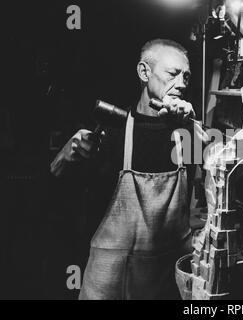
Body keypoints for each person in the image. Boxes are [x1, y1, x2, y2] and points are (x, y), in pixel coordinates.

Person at [50, 39, 196, 300]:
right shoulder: (110, 135)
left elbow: (242, 156)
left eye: (186, 76)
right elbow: (53, 194)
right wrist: (62, 159)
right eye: (173, 73)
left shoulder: (186, 134)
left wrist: (194, 126)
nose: (183, 83)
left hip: (167, 285)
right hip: (109, 285)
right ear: (144, 72)